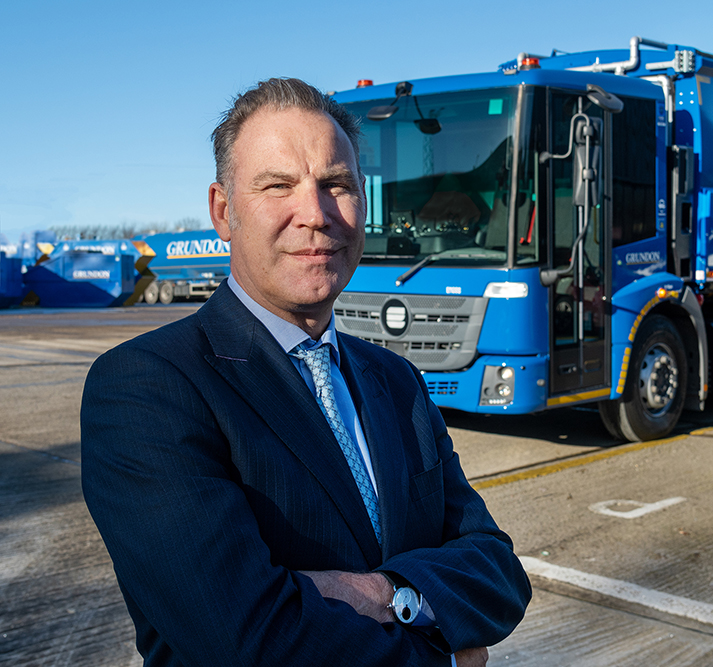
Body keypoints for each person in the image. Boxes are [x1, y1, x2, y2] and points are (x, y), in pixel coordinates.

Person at [81, 78, 531, 667]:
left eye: (336, 185)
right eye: (278, 187)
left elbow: (498, 573)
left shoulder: (397, 382)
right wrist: (442, 657)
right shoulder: (147, 387)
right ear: (224, 211)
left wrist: (385, 593)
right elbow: (244, 640)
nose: (315, 214)